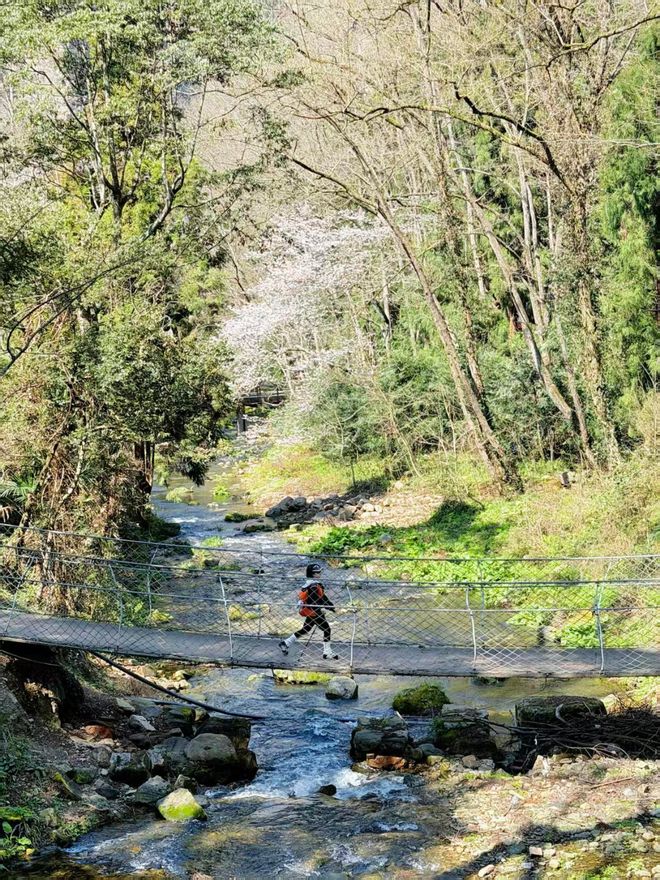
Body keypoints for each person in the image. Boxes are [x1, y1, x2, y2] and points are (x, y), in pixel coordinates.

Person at [279, 563, 339, 660]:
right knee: (327, 629)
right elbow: (317, 600)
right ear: (314, 574)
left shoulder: (310, 584)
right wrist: (326, 608)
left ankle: (285, 643)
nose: (320, 573)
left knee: (306, 629)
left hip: (310, 611)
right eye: (318, 572)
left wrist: (331, 607)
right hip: (315, 612)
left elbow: (322, 598)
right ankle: (327, 652)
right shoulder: (314, 586)